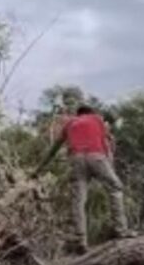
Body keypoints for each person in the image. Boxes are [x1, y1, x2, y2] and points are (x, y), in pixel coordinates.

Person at [32, 105, 133, 253]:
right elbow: (107, 144)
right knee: (115, 187)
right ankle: (121, 230)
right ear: (90, 113)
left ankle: (80, 240)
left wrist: (38, 169)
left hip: (76, 159)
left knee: (78, 200)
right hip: (96, 157)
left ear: (77, 114)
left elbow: (53, 149)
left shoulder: (70, 123)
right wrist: (110, 167)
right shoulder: (97, 119)